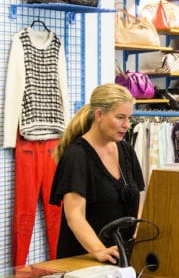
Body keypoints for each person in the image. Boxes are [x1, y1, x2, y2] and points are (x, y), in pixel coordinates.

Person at [50, 84, 144, 263]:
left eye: (129, 118)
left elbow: (137, 199)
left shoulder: (126, 150)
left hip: (121, 258)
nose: (126, 125)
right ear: (99, 114)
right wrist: (99, 250)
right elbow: (75, 215)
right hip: (85, 260)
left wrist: (139, 232)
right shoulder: (76, 155)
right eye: (120, 118)